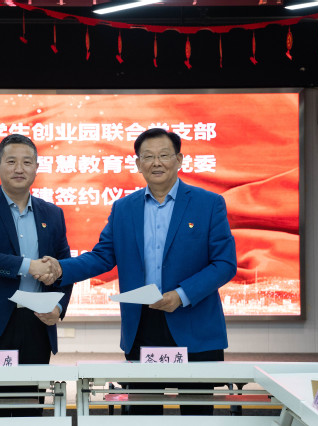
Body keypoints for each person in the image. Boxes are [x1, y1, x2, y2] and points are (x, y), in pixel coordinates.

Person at [44, 127, 237, 415]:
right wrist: (60, 268)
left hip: (194, 323)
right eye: (148, 157)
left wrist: (181, 295)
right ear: (138, 164)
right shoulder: (124, 208)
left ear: (179, 160)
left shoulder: (208, 204)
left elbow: (224, 263)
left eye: (164, 155)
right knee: (142, 412)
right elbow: (102, 256)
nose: (156, 163)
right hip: (143, 325)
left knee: (197, 413)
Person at [0, 133, 72, 417]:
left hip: (36, 324)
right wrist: (28, 266)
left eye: (27, 162)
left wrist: (58, 306)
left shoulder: (52, 213)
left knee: (30, 411)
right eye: (11, 161)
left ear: (36, 168)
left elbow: (65, 268)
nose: (19, 169)